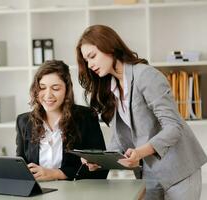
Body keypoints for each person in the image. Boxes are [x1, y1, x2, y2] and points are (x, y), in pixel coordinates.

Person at [76, 24, 207, 200]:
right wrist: (100, 161)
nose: (90, 64)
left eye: (92, 56)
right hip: (149, 172)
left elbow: (174, 126)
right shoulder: (111, 89)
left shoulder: (146, 75)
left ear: (110, 47)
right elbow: (119, 139)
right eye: (86, 61)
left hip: (179, 170)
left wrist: (139, 152)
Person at [16, 60, 108, 181]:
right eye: (42, 88)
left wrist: (56, 174)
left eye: (55, 88)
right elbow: (20, 166)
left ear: (67, 90)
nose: (48, 95)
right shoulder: (24, 121)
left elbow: (101, 169)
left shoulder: (86, 117)